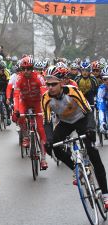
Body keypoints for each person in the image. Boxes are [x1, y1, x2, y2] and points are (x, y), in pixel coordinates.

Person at [42, 71, 108, 209]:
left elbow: (89, 111)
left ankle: (106, 194)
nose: (50, 88)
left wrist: (90, 128)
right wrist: (48, 140)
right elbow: (47, 122)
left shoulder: (73, 91)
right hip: (65, 123)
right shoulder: (46, 97)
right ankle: (77, 169)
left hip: (82, 120)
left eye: (53, 84)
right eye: (48, 84)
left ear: (61, 83)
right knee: (52, 146)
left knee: (93, 154)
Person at [13, 56, 48, 169]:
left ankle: (43, 158)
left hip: (37, 102)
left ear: (32, 68)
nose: (26, 71)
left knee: (41, 129)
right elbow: (16, 95)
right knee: (21, 117)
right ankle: (26, 137)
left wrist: (46, 108)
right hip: (24, 102)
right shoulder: (19, 78)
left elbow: (44, 94)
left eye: (29, 68)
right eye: (24, 69)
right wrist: (16, 110)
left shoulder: (39, 77)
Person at [97, 65, 108, 134]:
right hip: (105, 103)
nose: (107, 81)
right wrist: (102, 121)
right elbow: (100, 102)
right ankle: (102, 124)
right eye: (105, 79)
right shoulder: (101, 88)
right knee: (101, 108)